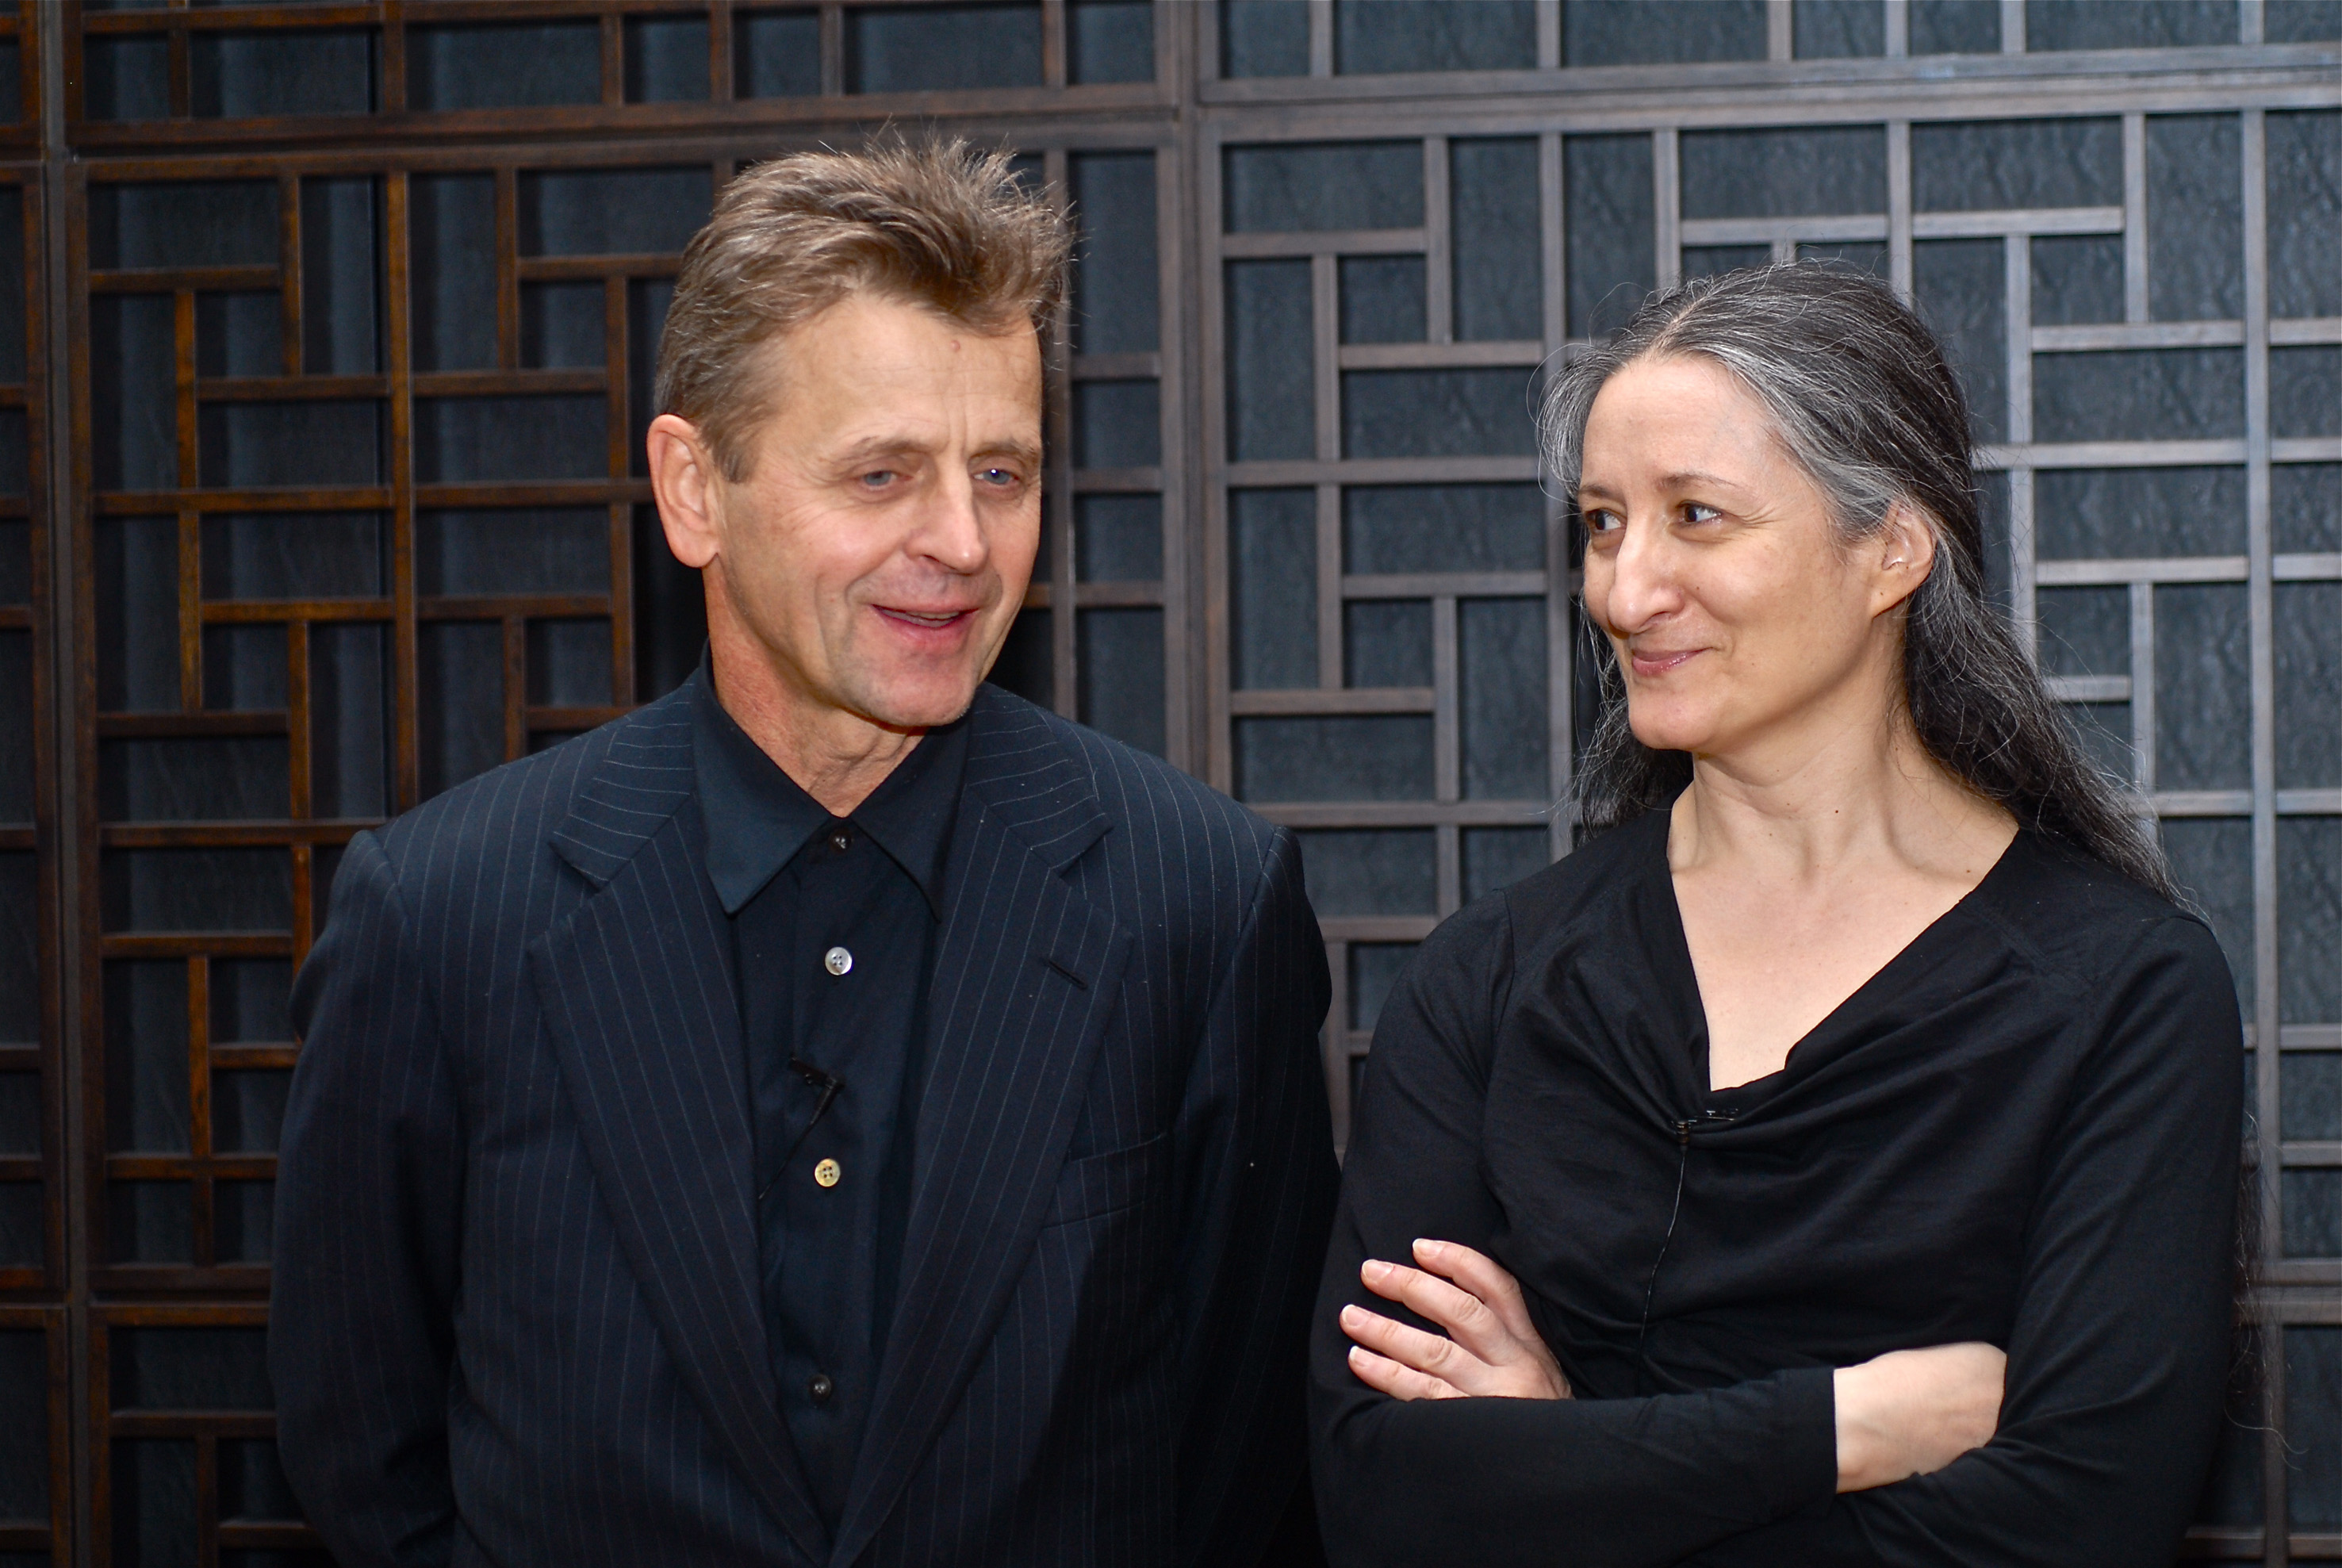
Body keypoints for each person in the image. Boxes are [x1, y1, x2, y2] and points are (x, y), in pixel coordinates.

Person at [270, 140, 1336, 1568]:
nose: (961, 541)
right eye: (880, 473)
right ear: (693, 489)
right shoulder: (443, 914)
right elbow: (361, 1444)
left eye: (1002, 472)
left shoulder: (1198, 901)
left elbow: (1245, 1458)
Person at [1309, 263, 2243, 1566]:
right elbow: (1381, 1500)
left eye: (1695, 515)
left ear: (1891, 549)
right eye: (1601, 523)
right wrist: (1845, 1425)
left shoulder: (2123, 994)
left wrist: (1564, 1454)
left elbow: (2076, 1527)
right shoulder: (1490, 978)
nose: (1624, 589)